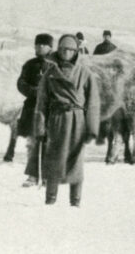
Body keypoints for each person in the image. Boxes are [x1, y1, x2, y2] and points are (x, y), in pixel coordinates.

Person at [33, 33, 100, 207]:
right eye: (63, 49)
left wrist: (92, 128)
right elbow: (41, 103)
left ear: (76, 51)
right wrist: (40, 127)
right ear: (58, 50)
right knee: (54, 159)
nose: (66, 53)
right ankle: (50, 199)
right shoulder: (49, 74)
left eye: (70, 49)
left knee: (76, 161)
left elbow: (93, 103)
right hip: (56, 120)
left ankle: (75, 201)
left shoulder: (85, 73)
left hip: (77, 121)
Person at [10, 33, 53, 182]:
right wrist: (33, 91)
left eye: (43, 45)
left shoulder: (56, 65)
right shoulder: (29, 65)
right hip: (32, 107)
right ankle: (33, 175)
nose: (40, 47)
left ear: (50, 47)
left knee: (50, 142)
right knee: (33, 142)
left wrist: (48, 93)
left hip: (51, 109)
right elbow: (21, 83)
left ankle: (47, 175)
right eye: (38, 44)